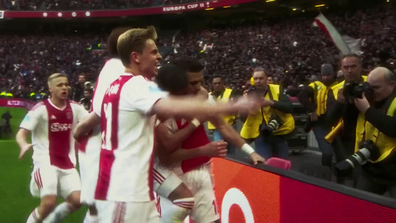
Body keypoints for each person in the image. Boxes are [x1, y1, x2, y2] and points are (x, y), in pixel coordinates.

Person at [74, 26, 260, 223]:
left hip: (128, 179)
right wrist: (234, 104)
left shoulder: (115, 86)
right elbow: (171, 108)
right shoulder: (137, 86)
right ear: (136, 57)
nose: (159, 57)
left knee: (184, 200)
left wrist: (79, 132)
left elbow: (96, 118)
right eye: (153, 52)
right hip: (125, 187)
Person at [154, 58, 265, 223]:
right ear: (177, 81)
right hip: (172, 178)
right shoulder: (159, 107)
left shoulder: (203, 96)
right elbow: (166, 156)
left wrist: (250, 151)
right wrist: (203, 146)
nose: (198, 86)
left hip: (200, 172)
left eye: (200, 81)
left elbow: (222, 125)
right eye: (192, 83)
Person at [15, 73, 89, 223]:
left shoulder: (76, 108)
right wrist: (23, 145)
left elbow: (91, 122)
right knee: (49, 202)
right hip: (45, 162)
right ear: (51, 89)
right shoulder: (40, 109)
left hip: (67, 163)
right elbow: (22, 133)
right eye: (59, 85)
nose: (64, 88)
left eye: (66, 84)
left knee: (77, 200)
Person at [76, 27, 129, 223]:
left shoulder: (114, 66)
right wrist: (79, 130)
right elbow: (100, 110)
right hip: (101, 146)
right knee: (102, 209)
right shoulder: (117, 68)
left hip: (103, 145)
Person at [352, 67, 396, 197]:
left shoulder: (367, 106)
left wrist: (367, 110)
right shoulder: (369, 99)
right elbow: (347, 123)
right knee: (359, 206)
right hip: (373, 168)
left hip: (394, 171)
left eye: (376, 88)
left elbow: (393, 128)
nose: (371, 92)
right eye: (369, 87)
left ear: (392, 84)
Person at [326, 54, 367, 184]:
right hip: (346, 139)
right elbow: (329, 120)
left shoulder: (371, 82)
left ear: (360, 67)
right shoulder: (335, 90)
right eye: (346, 67)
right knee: (346, 174)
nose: (350, 70)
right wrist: (339, 102)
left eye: (353, 66)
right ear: (341, 70)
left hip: (370, 136)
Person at [240, 67, 295, 160]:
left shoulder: (277, 89)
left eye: (261, 78)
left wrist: (270, 103)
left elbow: (289, 108)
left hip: (279, 133)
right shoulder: (248, 95)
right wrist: (245, 106)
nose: (258, 81)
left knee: (282, 165)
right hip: (260, 136)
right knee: (266, 165)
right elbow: (242, 118)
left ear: (267, 79)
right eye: (255, 79)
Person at [297, 64, 336, 169]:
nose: (326, 77)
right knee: (327, 152)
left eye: (328, 75)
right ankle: (325, 173)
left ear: (333, 74)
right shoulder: (315, 86)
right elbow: (301, 96)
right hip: (320, 122)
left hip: (337, 124)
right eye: (324, 75)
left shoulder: (339, 85)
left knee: (337, 153)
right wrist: (312, 110)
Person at [207, 75, 237, 154]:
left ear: (223, 83)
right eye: (215, 83)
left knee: (231, 151)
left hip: (230, 125)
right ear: (212, 85)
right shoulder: (208, 96)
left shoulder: (230, 92)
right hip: (217, 127)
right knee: (220, 150)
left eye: (219, 83)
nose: (217, 85)